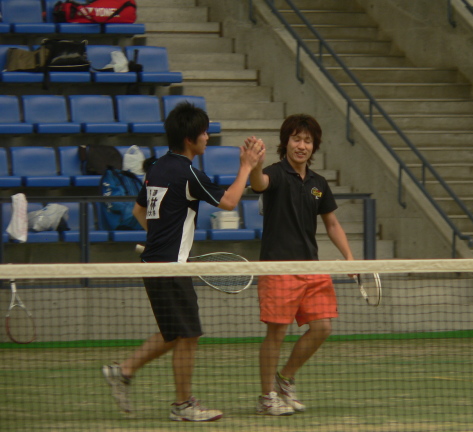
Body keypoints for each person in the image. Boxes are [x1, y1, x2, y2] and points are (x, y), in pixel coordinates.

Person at [102, 102, 264, 422]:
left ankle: (123, 371)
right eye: (203, 132)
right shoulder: (188, 173)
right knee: (188, 335)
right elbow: (230, 201)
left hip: (155, 262)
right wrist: (246, 165)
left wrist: (162, 242)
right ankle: (182, 405)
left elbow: (138, 211)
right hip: (170, 267)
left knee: (175, 333)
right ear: (190, 139)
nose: (207, 137)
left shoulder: (157, 168)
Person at [247, 114, 355, 416]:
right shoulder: (275, 173)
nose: (302, 145)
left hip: (311, 267)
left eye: (307, 141)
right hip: (278, 267)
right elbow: (259, 183)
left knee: (322, 327)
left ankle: (285, 379)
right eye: (296, 139)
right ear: (286, 142)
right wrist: (254, 165)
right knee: (277, 334)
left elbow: (332, 224)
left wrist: (349, 256)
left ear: (314, 146)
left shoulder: (319, 184)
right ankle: (267, 396)